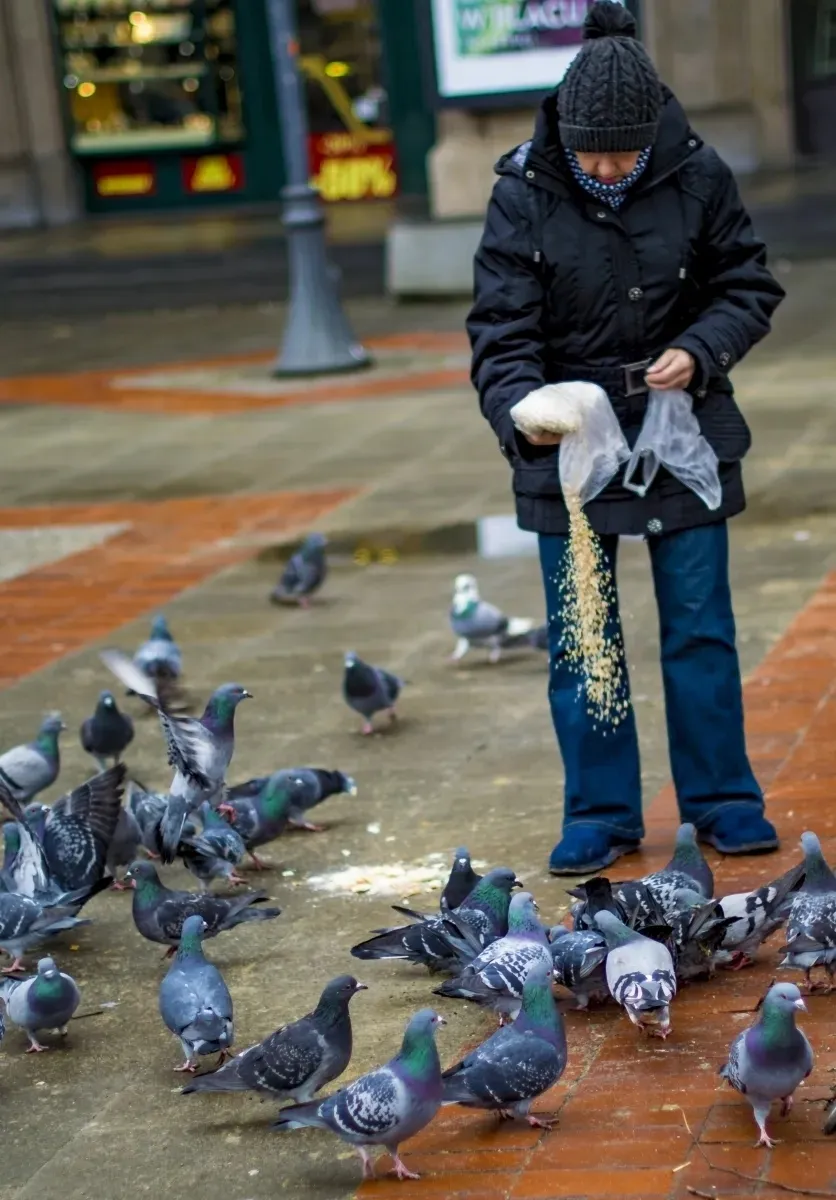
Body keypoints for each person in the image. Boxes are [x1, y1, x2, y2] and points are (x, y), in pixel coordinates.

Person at [467, 1, 786, 875]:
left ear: (652, 133)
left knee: (699, 627)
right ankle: (602, 814)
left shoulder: (697, 173)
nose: (607, 168)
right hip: (568, 449)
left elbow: (747, 283)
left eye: (623, 152)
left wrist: (703, 347)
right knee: (583, 637)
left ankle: (723, 801)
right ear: (566, 134)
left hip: (685, 433)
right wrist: (524, 411)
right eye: (591, 152)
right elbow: (500, 331)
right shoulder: (523, 191)